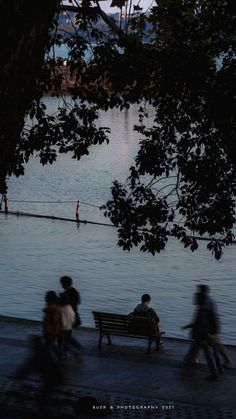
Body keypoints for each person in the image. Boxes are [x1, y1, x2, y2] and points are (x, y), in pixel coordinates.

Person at [182, 291, 219, 381]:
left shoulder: (202, 311)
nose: (194, 300)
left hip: (202, 336)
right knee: (208, 355)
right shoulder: (203, 309)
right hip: (205, 336)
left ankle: (187, 372)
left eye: (196, 298)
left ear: (199, 299)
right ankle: (214, 372)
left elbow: (200, 324)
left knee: (194, 353)